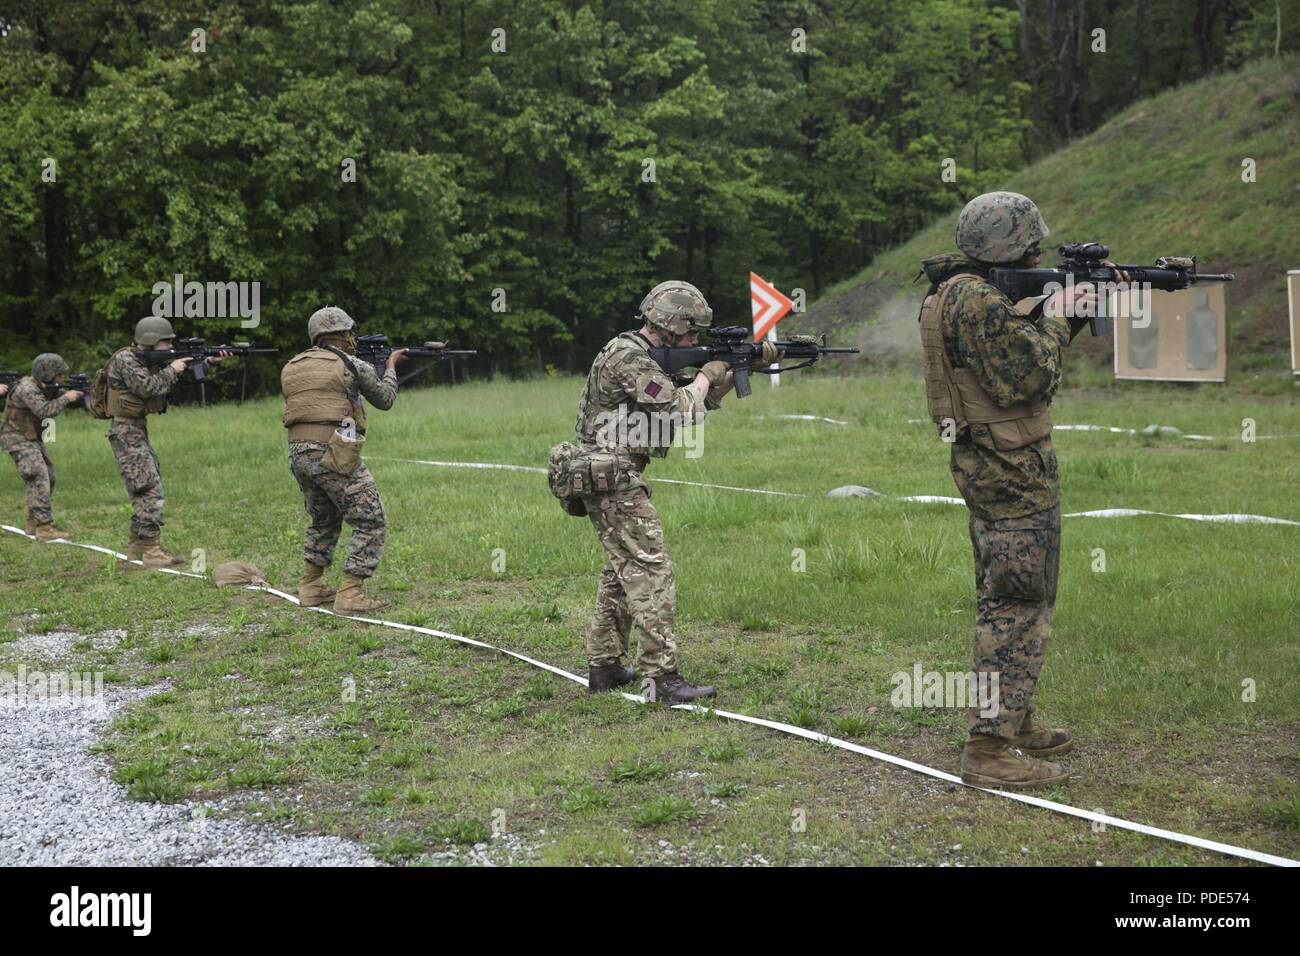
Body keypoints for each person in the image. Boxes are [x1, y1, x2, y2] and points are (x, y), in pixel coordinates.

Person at [917, 191, 1120, 789]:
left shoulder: (955, 290)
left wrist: (1056, 308)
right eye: (1031, 245)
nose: (1037, 252)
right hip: (1010, 472)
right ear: (1011, 247)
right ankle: (989, 748)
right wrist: (1063, 315)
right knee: (1017, 602)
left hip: (997, 466)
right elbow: (1028, 374)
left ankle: (1016, 715)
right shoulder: (977, 300)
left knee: (1011, 591)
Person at [570, 280, 775, 704]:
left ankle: (605, 666)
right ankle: (660, 677)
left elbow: (690, 410)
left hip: (616, 473)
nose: (694, 340)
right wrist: (705, 374)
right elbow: (677, 408)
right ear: (668, 324)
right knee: (651, 569)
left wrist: (734, 369)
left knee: (622, 570)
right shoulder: (629, 358)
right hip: (612, 476)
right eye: (690, 332)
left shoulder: (641, 355)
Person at [281, 306, 405, 614]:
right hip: (333, 450)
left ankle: (311, 587)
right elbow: (385, 399)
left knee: (324, 519)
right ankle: (350, 592)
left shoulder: (293, 365)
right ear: (343, 336)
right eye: (350, 334)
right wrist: (390, 366)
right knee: (370, 518)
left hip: (297, 452)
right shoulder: (350, 362)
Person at [106, 317, 227, 568]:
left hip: (135, 429)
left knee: (145, 484)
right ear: (149, 342)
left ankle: (138, 547)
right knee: (150, 487)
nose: (170, 348)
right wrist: (173, 369)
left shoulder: (146, 359)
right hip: (126, 431)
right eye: (166, 343)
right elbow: (148, 388)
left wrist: (207, 361)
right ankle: (151, 550)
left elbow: (174, 372)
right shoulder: (126, 360)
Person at [1, 353, 83, 540]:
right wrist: (67, 398)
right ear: (48, 374)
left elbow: (58, 399)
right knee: (38, 476)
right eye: (59, 374)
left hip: (31, 437)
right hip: (16, 437)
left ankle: (34, 521)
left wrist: (76, 397)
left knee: (49, 475)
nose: (62, 378)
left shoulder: (44, 386)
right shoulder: (27, 388)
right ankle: (45, 527)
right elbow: (45, 410)